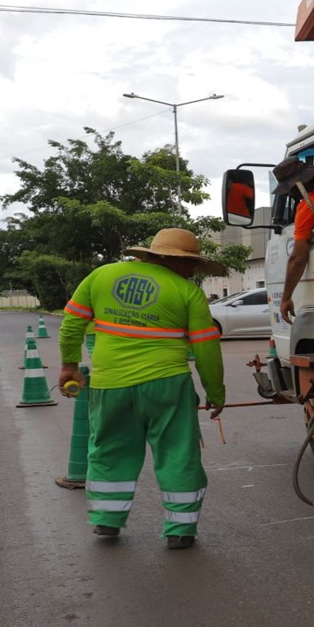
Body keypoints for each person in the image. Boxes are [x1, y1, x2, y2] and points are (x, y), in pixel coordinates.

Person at [58, 228, 226, 548]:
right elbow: (206, 349)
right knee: (178, 453)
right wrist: (215, 393)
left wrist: (68, 365)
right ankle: (180, 530)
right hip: (168, 385)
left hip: (110, 384)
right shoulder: (187, 291)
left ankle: (107, 521)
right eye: (190, 265)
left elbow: (72, 324)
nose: (191, 272)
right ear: (176, 262)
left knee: (109, 450)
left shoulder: (101, 276)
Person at [272, 157, 314, 323]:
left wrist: (286, 298)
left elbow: (298, 259)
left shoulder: (308, 205)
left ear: (296, 185)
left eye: (288, 190)